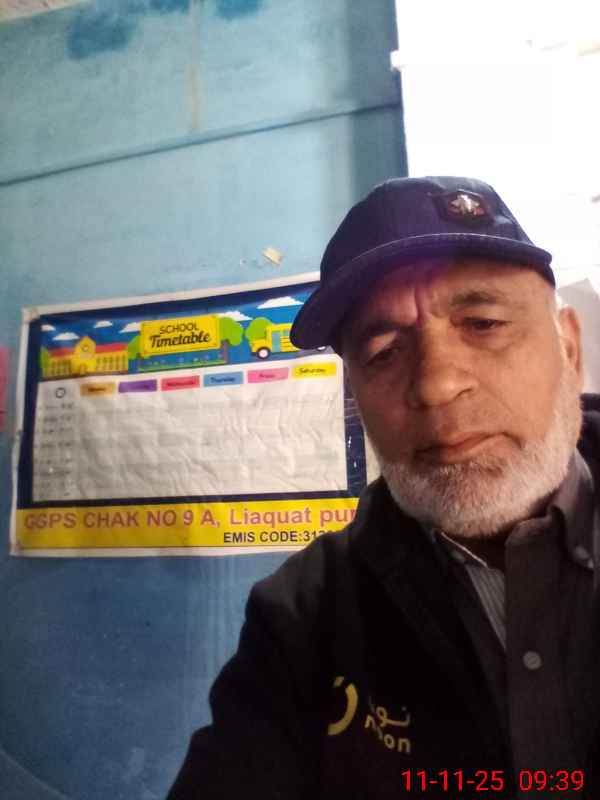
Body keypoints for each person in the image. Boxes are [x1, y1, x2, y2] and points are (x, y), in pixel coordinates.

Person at [167, 176, 600, 799]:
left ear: (570, 349)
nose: (435, 384)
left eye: (482, 323)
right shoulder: (302, 617)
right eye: (382, 353)